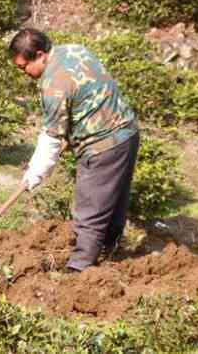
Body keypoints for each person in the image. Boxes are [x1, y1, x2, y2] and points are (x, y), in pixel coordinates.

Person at [9, 28, 140, 273]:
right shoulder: (74, 50)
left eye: (24, 67)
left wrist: (35, 174)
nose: (24, 73)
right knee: (114, 199)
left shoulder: (53, 85)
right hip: (128, 133)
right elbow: (88, 95)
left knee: (90, 207)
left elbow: (51, 138)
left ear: (40, 55)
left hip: (102, 146)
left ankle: (80, 268)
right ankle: (110, 249)